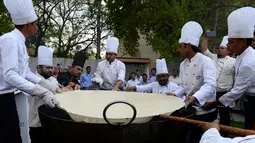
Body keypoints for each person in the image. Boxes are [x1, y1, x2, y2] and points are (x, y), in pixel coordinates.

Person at [0, 0, 61, 142]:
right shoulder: (10, 40)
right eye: (36, 23)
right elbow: (9, 74)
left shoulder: (20, 41)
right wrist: (41, 92)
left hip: (8, 98)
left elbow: (25, 72)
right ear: (28, 24)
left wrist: (49, 87)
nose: (37, 26)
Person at [204, 7, 255, 130]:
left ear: (242, 42)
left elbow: (237, 91)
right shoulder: (241, 56)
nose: (227, 45)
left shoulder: (248, 62)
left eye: (230, 42)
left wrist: (213, 104)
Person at [169, 21, 217, 143]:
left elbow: (210, 85)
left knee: (201, 140)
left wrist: (195, 97)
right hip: (190, 109)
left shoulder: (206, 61)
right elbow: (183, 86)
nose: (178, 49)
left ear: (188, 46)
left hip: (205, 112)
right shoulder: (182, 64)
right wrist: (175, 94)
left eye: (180, 46)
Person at [28, 46, 72, 143]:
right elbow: (45, 87)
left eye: (51, 68)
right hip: (36, 124)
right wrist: (59, 89)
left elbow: (58, 87)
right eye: (47, 68)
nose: (51, 70)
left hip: (51, 122)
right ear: (39, 68)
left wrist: (66, 89)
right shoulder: (33, 80)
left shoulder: (52, 79)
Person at [201, 34, 236, 127]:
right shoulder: (213, 57)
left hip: (224, 92)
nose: (219, 49)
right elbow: (204, 50)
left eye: (222, 48)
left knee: (225, 115)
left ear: (228, 51)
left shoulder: (234, 61)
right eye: (219, 48)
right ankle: (211, 130)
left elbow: (237, 77)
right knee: (211, 113)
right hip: (213, 92)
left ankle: (226, 133)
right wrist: (205, 37)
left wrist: (232, 88)